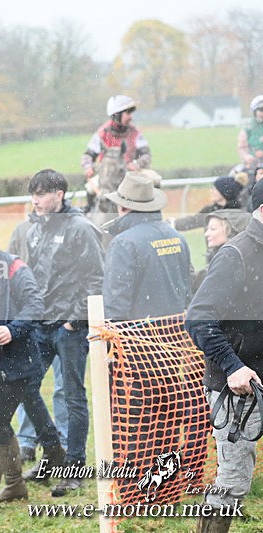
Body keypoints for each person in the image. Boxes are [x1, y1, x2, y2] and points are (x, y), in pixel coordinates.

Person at [0, 217, 64, 513]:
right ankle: (20, 481)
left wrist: (14, 329)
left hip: (15, 362)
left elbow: (35, 305)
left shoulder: (14, 268)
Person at [185, 179, 263, 533]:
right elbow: (198, 318)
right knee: (233, 479)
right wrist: (233, 366)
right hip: (238, 387)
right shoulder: (236, 255)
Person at [22, 169, 105, 497]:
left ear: (59, 193)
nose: (35, 201)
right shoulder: (35, 228)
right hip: (41, 326)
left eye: (41, 194)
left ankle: (73, 465)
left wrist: (76, 319)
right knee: (26, 387)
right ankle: (52, 455)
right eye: (33, 194)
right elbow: (34, 276)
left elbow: (97, 277)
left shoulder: (80, 228)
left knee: (73, 395)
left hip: (69, 328)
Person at [7, 207, 68, 464]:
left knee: (63, 387)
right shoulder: (22, 232)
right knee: (27, 386)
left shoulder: (69, 231)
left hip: (63, 319)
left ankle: (62, 442)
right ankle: (27, 441)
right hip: (34, 323)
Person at [102, 171, 192, 321]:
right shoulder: (177, 237)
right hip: (176, 336)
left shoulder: (123, 243)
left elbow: (116, 303)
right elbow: (187, 290)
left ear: (123, 207)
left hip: (139, 338)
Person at [81, 94, 152, 198]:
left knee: (155, 179)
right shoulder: (102, 133)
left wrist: (136, 164)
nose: (131, 116)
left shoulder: (135, 132)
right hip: (107, 176)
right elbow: (88, 154)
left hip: (131, 175)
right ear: (117, 115)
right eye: (127, 113)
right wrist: (88, 167)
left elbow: (146, 154)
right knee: (90, 188)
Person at [193, 210, 251, 292]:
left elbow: (203, 282)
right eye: (207, 229)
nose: (206, 234)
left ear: (229, 231)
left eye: (212, 229)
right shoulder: (223, 255)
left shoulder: (229, 260)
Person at [172, 174, 247, 232]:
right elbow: (193, 221)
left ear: (225, 193)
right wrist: (173, 223)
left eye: (215, 189)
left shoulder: (240, 213)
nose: (211, 191)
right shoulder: (210, 210)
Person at [236, 94, 263, 171]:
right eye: (261, 110)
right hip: (253, 165)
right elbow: (242, 148)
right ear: (255, 112)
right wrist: (246, 157)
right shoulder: (248, 128)